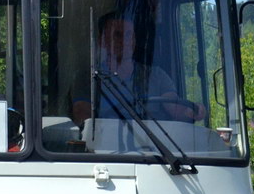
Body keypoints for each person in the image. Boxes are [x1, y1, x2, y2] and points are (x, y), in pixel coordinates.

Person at [72, 12, 202, 126]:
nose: (125, 41)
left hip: (158, 149)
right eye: (118, 35)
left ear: (134, 40)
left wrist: (191, 111)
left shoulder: (156, 76)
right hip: (107, 150)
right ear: (102, 41)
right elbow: (83, 117)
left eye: (129, 35)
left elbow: (174, 106)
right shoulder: (89, 78)